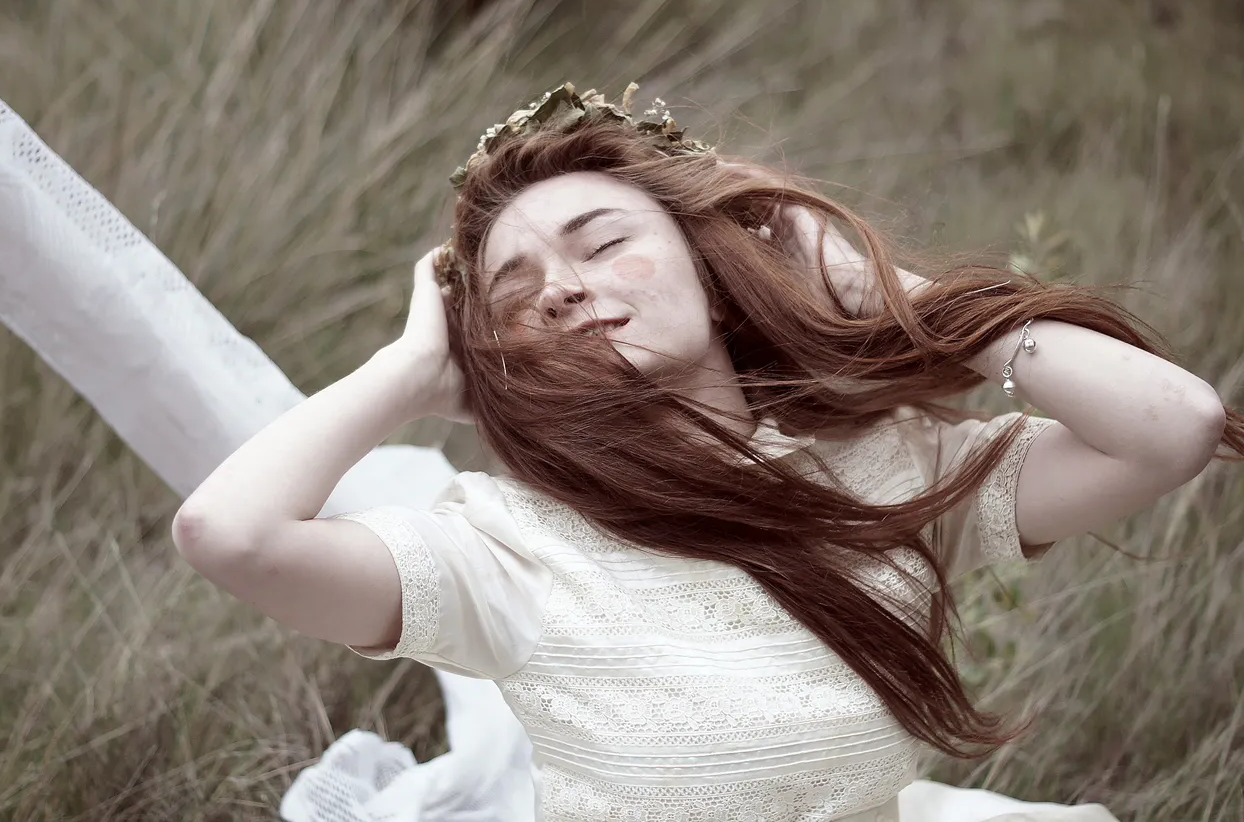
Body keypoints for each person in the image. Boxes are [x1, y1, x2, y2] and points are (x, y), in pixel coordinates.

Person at [173, 83, 1242, 822]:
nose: (563, 285)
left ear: (711, 273)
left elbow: (1174, 426)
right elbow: (229, 536)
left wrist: (897, 298)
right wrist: (407, 373)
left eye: (601, 242)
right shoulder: (501, 546)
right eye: (519, 292)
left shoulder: (892, 468)